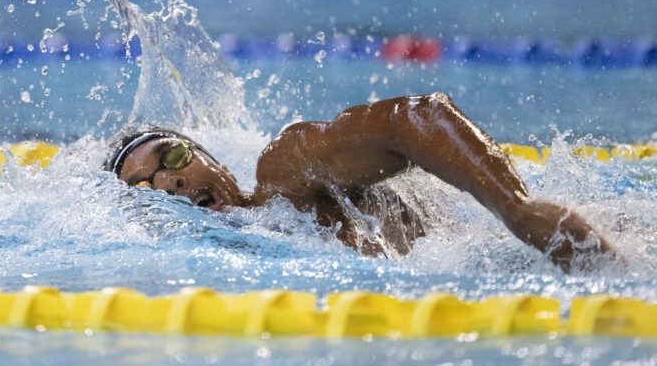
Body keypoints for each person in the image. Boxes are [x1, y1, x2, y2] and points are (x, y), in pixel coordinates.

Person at [104, 92, 615, 272]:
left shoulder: (283, 176)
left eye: (173, 157)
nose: (171, 183)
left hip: (515, 258)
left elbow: (414, 117)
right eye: (147, 188)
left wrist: (515, 207)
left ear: (211, 159)